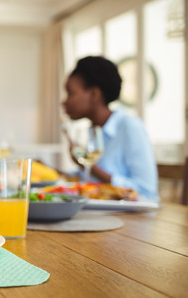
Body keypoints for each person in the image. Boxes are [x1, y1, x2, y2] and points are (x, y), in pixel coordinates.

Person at [62, 56, 159, 201]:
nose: (64, 102)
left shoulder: (129, 126)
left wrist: (90, 167)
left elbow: (147, 192)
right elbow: (87, 182)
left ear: (94, 94)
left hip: (131, 221)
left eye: (70, 93)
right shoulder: (94, 130)